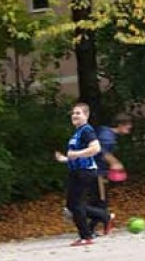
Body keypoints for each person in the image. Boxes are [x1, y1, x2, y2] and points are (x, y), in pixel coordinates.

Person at [55, 102, 102, 246]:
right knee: (71, 204)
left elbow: (96, 148)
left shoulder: (87, 130)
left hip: (85, 172)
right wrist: (66, 158)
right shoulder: (78, 132)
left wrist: (75, 154)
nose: (74, 115)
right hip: (77, 171)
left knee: (76, 204)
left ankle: (86, 236)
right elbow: (76, 155)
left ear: (86, 115)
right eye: (73, 113)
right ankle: (103, 216)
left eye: (78, 113)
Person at [88, 114, 132, 236]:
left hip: (93, 170)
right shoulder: (108, 137)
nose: (130, 128)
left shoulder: (104, 132)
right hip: (98, 173)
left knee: (97, 201)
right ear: (120, 125)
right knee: (101, 202)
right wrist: (114, 162)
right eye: (128, 126)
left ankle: (91, 228)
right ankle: (106, 218)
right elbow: (101, 150)